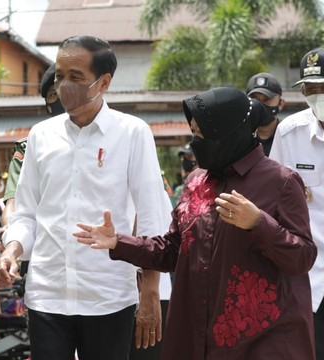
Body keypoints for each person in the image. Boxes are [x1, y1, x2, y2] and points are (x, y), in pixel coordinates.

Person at [76, 87, 317, 359]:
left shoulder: (280, 182)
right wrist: (120, 242)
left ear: (229, 132)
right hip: (200, 336)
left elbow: (304, 256)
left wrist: (259, 223)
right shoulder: (196, 181)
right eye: (193, 133)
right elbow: (174, 250)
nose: (195, 142)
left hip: (263, 342)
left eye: (202, 134)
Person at [0, 36, 172, 360]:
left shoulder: (132, 133)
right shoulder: (40, 136)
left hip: (109, 296)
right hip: (47, 296)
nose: (64, 85)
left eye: (76, 77)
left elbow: (151, 217)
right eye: (60, 75)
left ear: (104, 82)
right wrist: (11, 251)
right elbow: (27, 212)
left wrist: (151, 294)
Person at [270, 46, 324, 360]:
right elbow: (272, 204)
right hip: (307, 278)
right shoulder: (290, 134)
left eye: (322, 88)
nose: (316, 95)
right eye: (309, 89)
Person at [1, 63, 64, 227]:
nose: (59, 99)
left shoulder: (108, 138)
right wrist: (9, 230)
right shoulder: (30, 146)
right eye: (52, 94)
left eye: (63, 92)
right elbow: (13, 204)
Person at [246, 72, 285, 156]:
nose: (260, 105)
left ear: (281, 104)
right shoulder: (239, 137)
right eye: (255, 100)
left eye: (266, 99)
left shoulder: (289, 135)